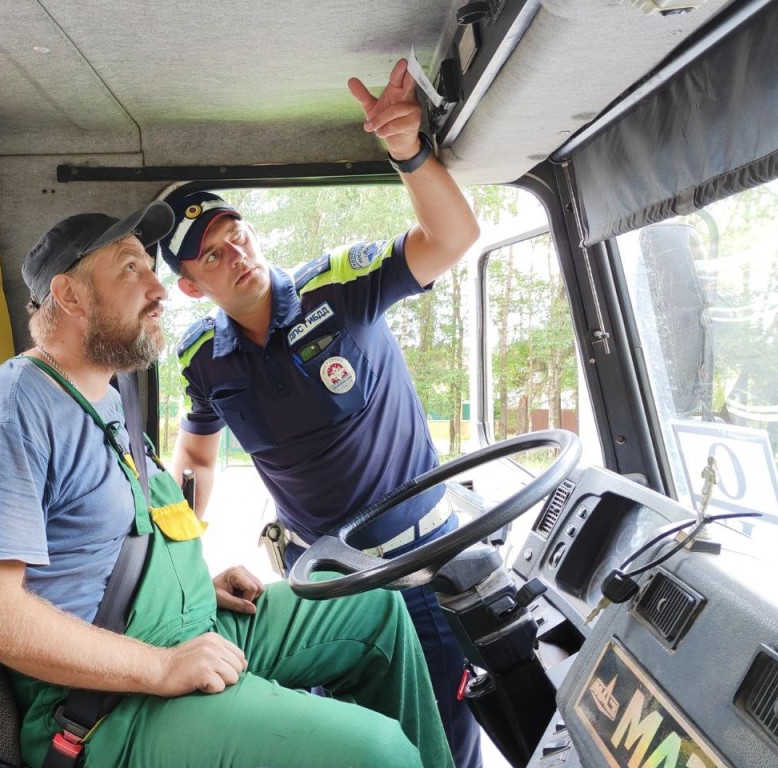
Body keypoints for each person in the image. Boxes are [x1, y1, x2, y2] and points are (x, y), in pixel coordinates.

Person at [0, 202, 453, 768]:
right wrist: (160, 667)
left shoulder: (108, 398)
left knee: (377, 610)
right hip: (108, 704)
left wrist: (191, 581)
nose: (159, 289)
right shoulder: (9, 411)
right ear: (71, 296)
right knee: (375, 753)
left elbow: (104, 544)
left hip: (190, 624)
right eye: (132, 268)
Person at [165, 59, 483, 767]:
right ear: (190, 286)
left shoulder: (338, 287)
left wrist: (409, 149)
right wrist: (186, 560)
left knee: (446, 747)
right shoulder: (200, 360)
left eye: (235, 233)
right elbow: (196, 460)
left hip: (423, 568)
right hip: (328, 584)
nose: (235, 254)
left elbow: (454, 238)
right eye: (211, 257)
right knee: (353, 745)